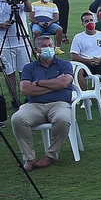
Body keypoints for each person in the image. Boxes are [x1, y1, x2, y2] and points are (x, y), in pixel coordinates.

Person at [10, 35, 76, 170]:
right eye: (44, 46)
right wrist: (54, 85)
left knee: (62, 119)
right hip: (35, 105)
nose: (48, 49)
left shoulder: (64, 64)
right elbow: (25, 89)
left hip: (59, 103)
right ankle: (29, 158)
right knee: (17, 118)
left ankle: (51, 155)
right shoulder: (29, 67)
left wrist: (39, 83)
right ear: (37, 50)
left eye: (50, 46)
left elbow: (64, 83)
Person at [70, 12, 101, 106]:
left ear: (95, 21)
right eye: (86, 21)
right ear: (83, 24)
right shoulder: (78, 37)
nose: (90, 23)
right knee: (78, 71)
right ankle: (85, 97)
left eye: (91, 20)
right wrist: (87, 61)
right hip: (85, 63)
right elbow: (74, 56)